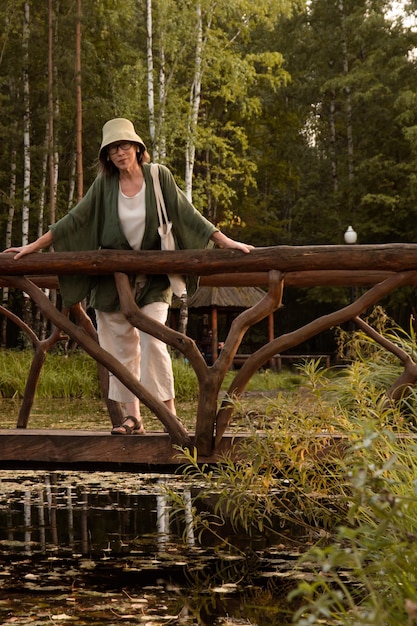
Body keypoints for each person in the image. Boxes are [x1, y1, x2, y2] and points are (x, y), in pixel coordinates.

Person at [5, 118, 253, 435]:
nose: (119, 153)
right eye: (112, 149)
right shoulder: (105, 185)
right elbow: (73, 220)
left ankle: (169, 414)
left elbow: (187, 213)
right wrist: (33, 246)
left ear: (137, 148)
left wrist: (226, 241)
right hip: (113, 282)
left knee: (154, 341)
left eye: (124, 145)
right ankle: (133, 417)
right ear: (107, 156)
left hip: (154, 279)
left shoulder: (157, 175)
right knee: (118, 346)